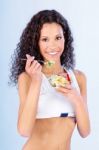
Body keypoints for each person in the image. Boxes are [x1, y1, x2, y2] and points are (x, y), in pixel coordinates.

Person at [10, 9, 90, 150]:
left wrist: (76, 98)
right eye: (45, 39)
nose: (53, 46)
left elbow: (85, 132)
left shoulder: (78, 78)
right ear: (36, 43)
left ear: (65, 38)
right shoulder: (27, 78)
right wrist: (36, 81)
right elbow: (24, 130)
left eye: (58, 38)